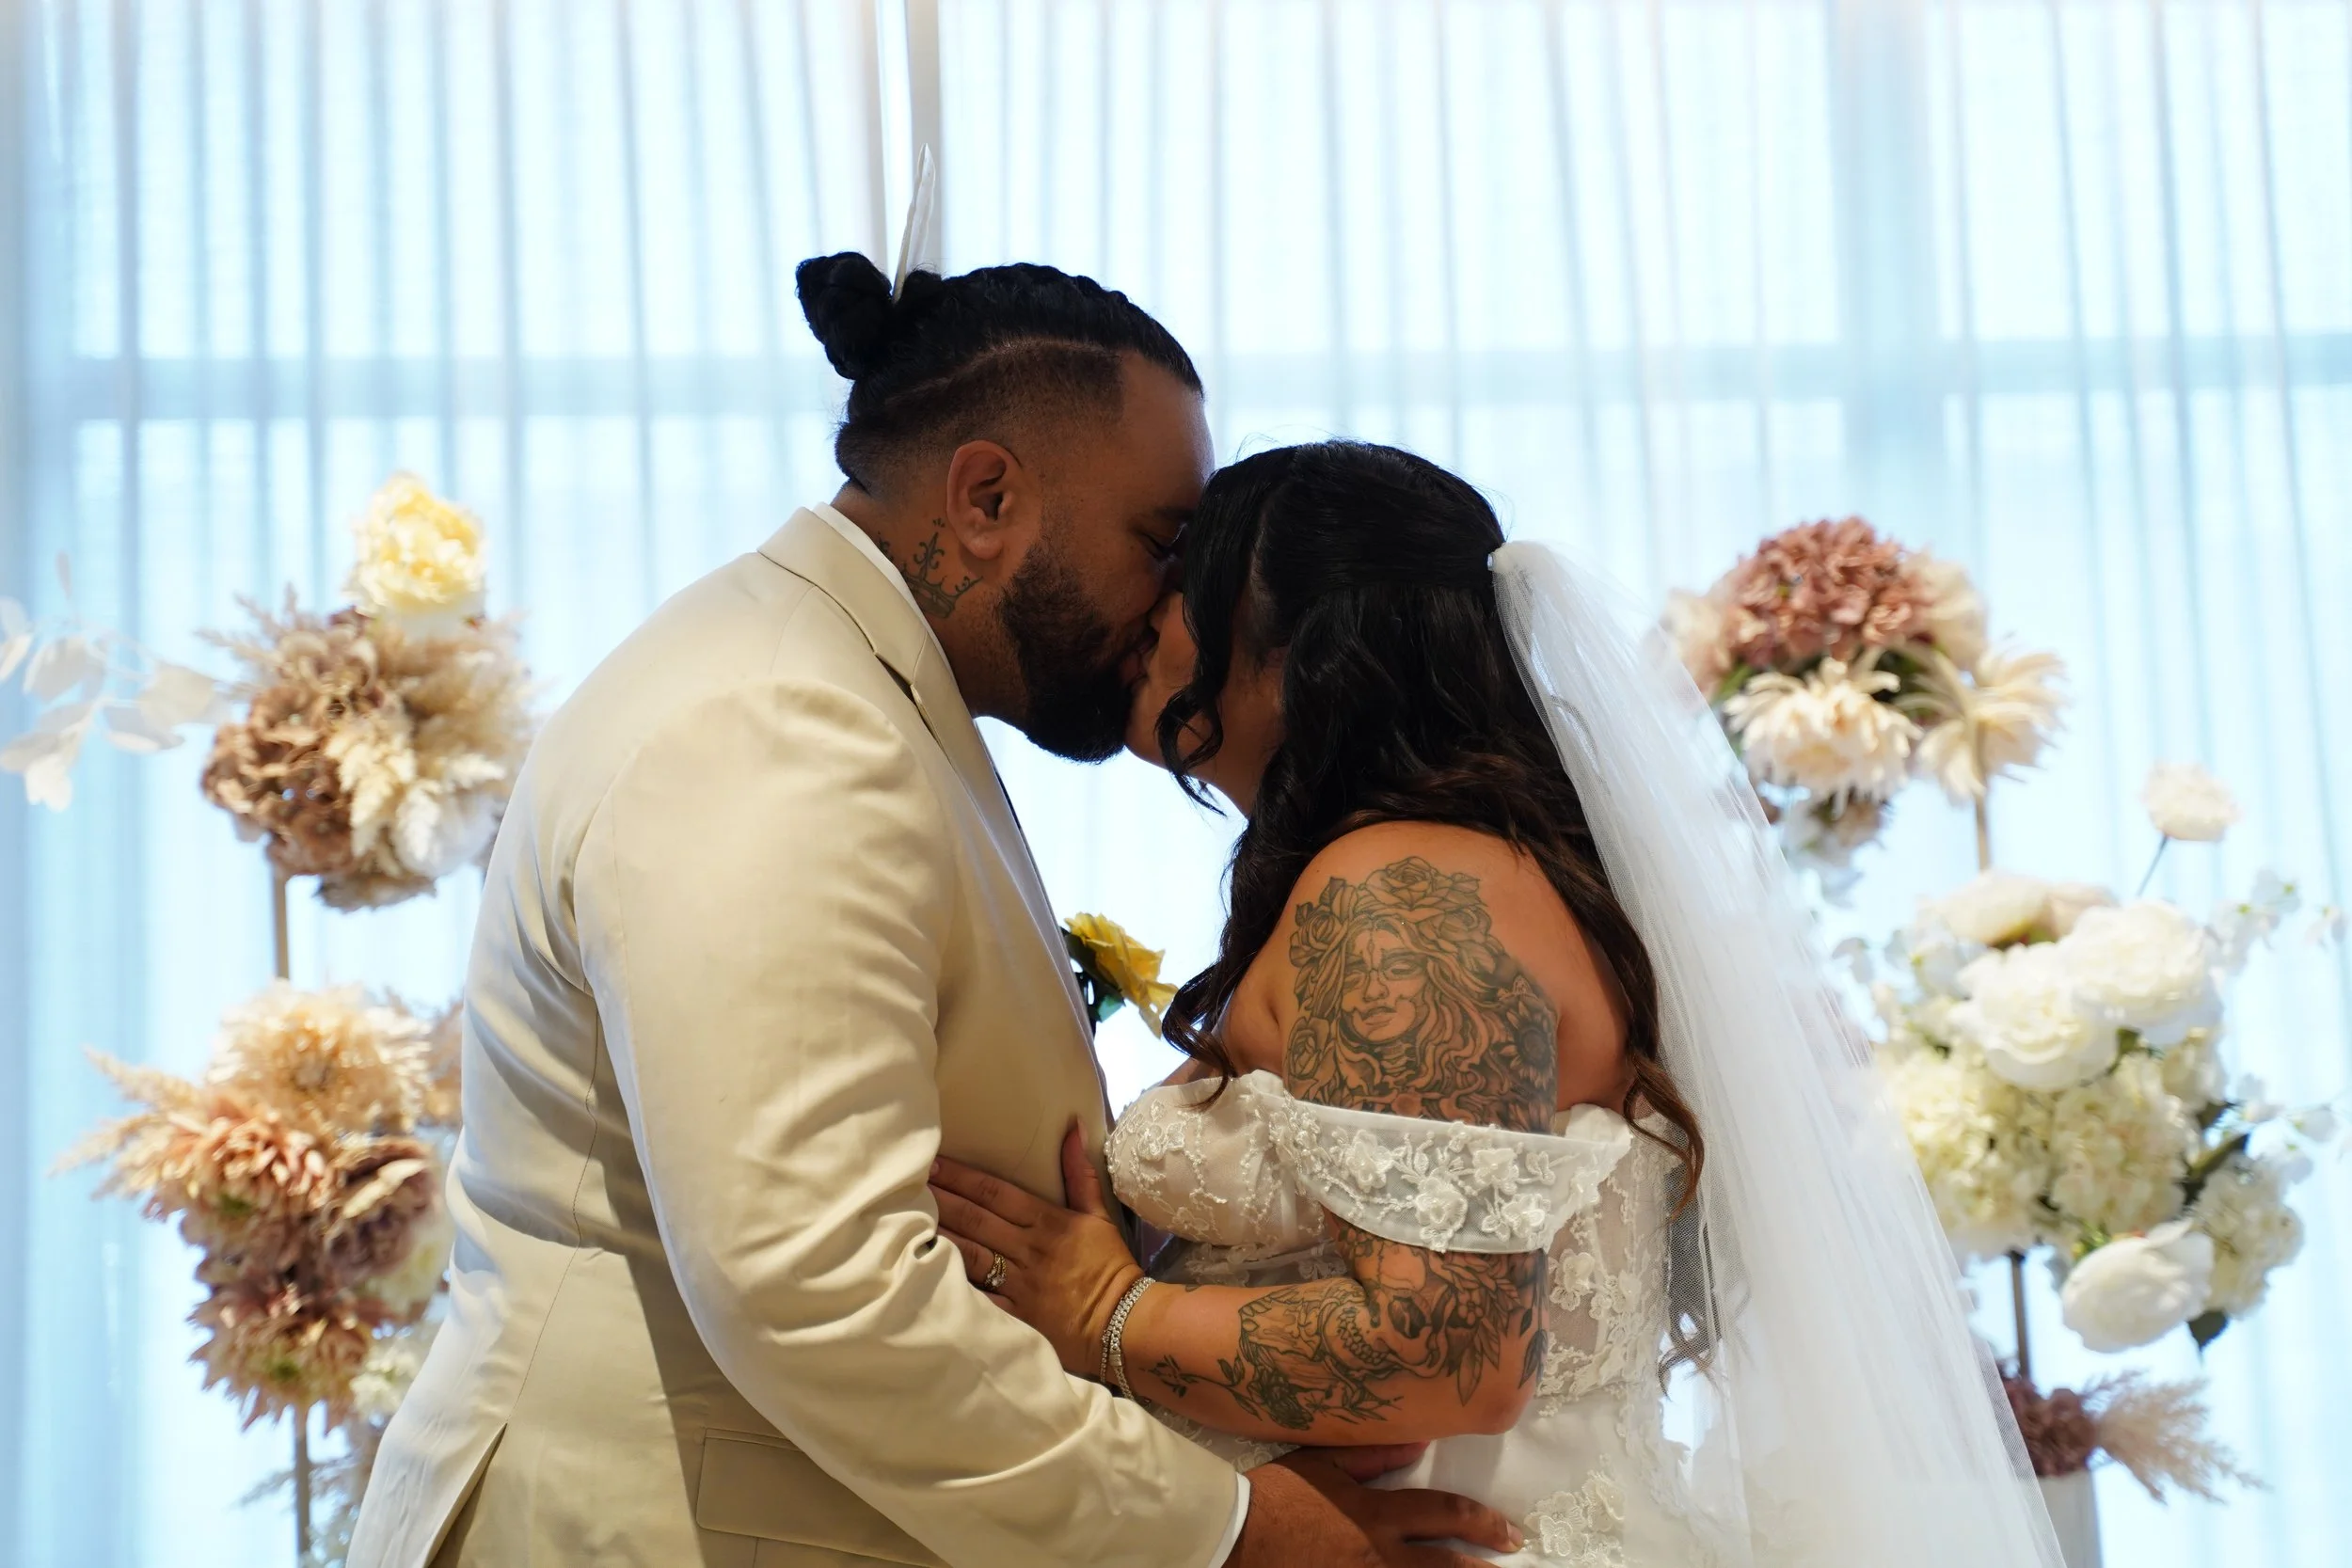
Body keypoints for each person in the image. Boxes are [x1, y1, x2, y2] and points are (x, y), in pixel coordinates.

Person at [346, 270, 1517, 1568]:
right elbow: (812, 1281)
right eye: (1160, 541)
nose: (1179, 609)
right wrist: (1231, 1528)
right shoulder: (779, 721)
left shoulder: (847, 686)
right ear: (987, 499)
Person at [930, 441, 2071, 1566]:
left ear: (1295, 648)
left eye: (1188, 578)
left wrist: (1103, 1312)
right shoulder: (1450, 874)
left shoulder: (1401, 899)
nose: (1147, 614)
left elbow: (1450, 1347)